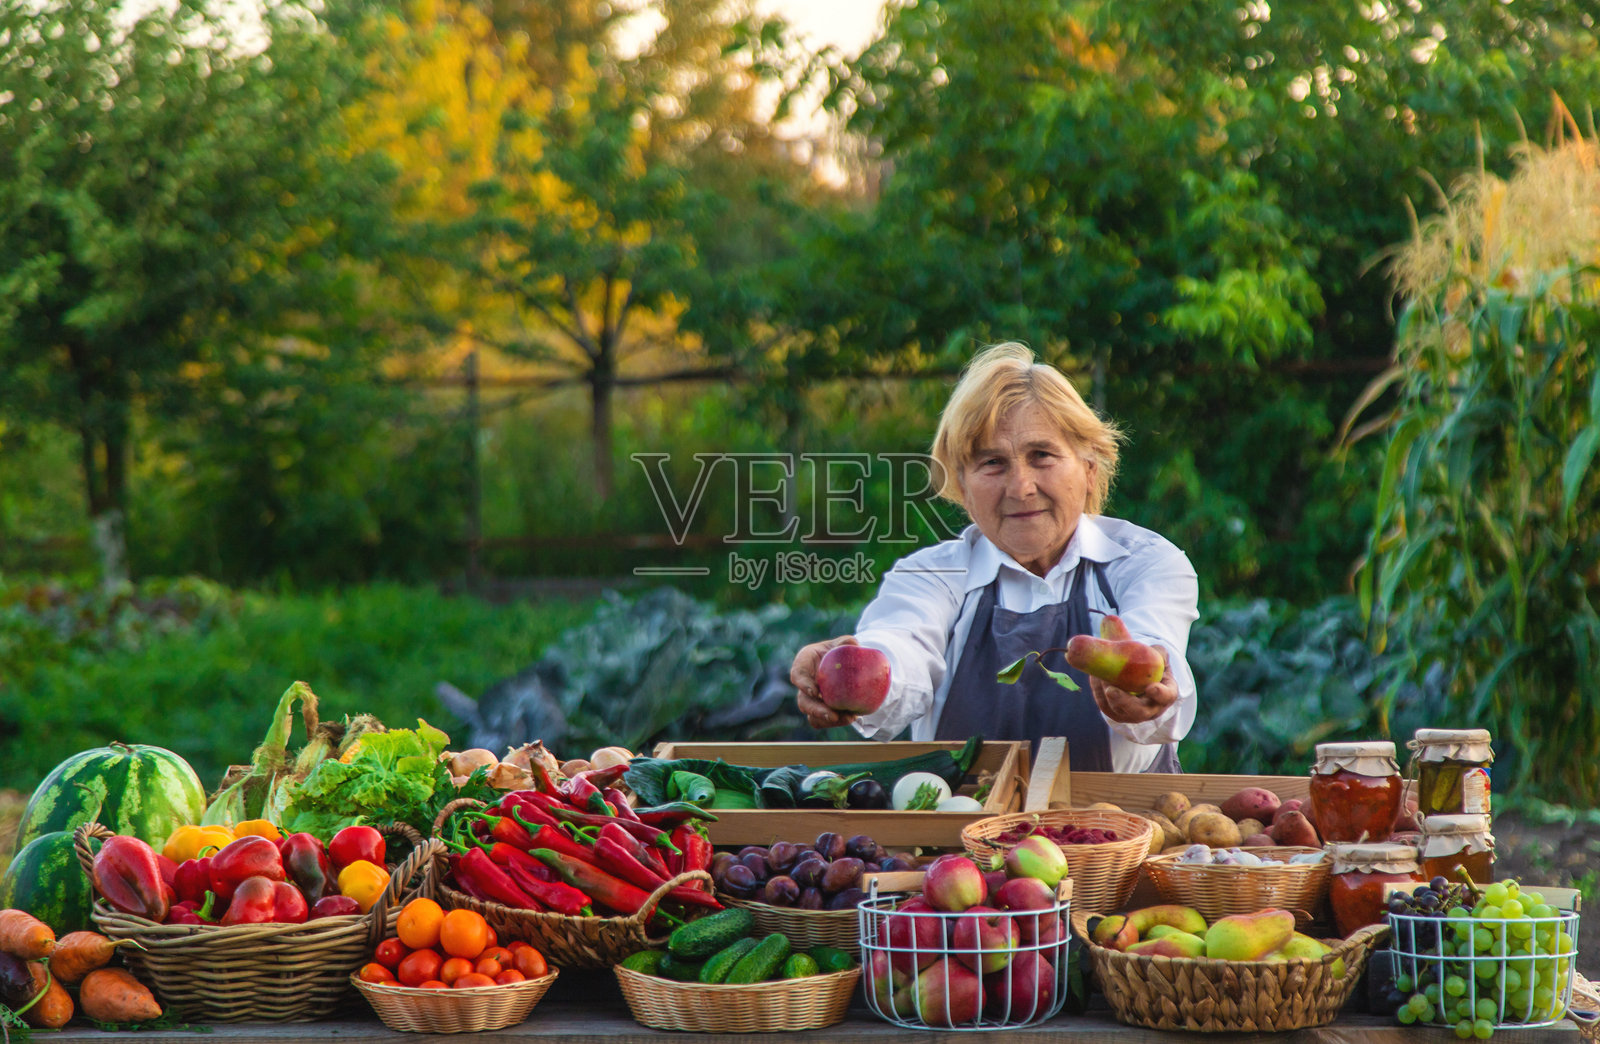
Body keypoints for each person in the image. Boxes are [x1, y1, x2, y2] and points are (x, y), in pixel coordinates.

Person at [791, 342, 1198, 772]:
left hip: (1123, 816)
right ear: (962, 487)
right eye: (992, 463)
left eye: (1042, 456)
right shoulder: (931, 576)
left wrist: (1147, 694)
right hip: (961, 816)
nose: (1021, 487)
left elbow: (1156, 653)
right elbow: (901, 643)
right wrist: (854, 671)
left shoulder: (1144, 564)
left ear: (1089, 468)